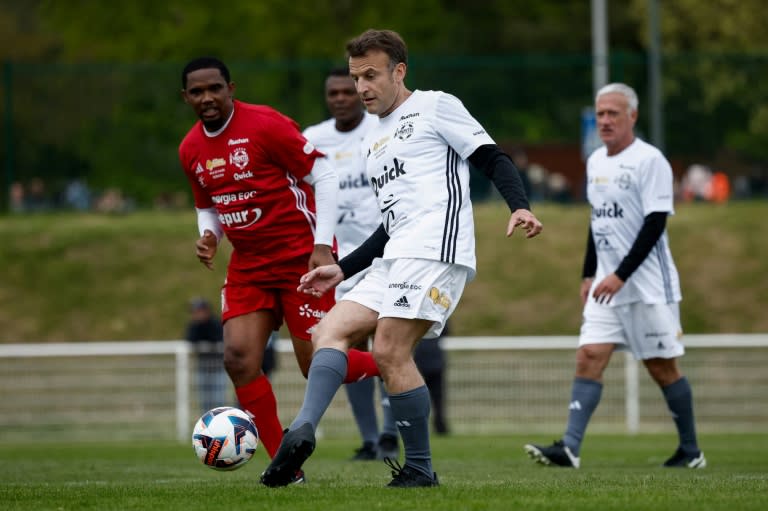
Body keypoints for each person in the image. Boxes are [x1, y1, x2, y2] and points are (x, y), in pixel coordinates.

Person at [260, 29, 542, 488]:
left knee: (390, 349)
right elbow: (388, 226)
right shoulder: (376, 142)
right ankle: (302, 430)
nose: (362, 88)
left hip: (436, 249)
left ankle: (419, 468)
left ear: (399, 71)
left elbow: (492, 158)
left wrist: (520, 205)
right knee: (328, 331)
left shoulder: (435, 105)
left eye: (370, 75)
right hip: (394, 255)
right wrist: (343, 268)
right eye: (356, 78)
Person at [178, 57, 381, 481]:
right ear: (186, 98)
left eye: (214, 88)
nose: (207, 98)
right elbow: (206, 205)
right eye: (197, 92)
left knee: (316, 365)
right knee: (237, 358)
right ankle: (285, 467)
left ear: (230, 88)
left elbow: (323, 174)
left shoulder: (266, 125)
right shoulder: (190, 149)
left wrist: (322, 247)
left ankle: (389, 359)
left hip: (300, 261)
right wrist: (209, 235)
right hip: (249, 266)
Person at [524, 83, 706, 470]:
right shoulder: (596, 162)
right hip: (607, 282)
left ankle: (691, 451)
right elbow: (597, 220)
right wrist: (590, 272)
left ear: (632, 117)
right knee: (589, 355)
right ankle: (569, 448)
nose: (605, 120)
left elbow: (655, 223)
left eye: (613, 114)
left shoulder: (650, 160)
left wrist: (621, 275)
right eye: (601, 113)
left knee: (661, 366)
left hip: (647, 285)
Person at [302, 67, 399, 462]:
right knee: (347, 344)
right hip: (338, 261)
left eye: (348, 91)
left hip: (386, 253)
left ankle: (393, 432)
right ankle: (371, 437)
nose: (342, 98)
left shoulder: (381, 129)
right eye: (334, 93)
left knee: (391, 341)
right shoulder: (312, 138)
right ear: (327, 97)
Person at [184, 297, 227, 414]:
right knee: (205, 401)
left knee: (219, 399)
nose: (197, 314)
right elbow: (190, 339)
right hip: (203, 367)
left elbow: (218, 339)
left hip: (218, 368)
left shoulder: (216, 324)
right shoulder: (194, 326)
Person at [413, 323, 449, 435]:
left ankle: (435, 426)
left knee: (421, 398)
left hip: (427, 363)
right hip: (431, 363)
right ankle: (439, 426)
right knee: (435, 398)